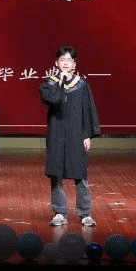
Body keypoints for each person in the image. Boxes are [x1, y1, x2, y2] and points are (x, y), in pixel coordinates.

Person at [39, 45, 101, 227]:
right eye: (62, 60)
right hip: (57, 133)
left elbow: (87, 110)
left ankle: (85, 213)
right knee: (56, 174)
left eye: (69, 60)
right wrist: (61, 81)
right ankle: (60, 212)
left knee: (80, 174)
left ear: (74, 64)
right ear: (56, 63)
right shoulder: (49, 83)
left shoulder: (82, 84)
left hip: (76, 134)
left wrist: (86, 134)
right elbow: (51, 99)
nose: (65, 63)